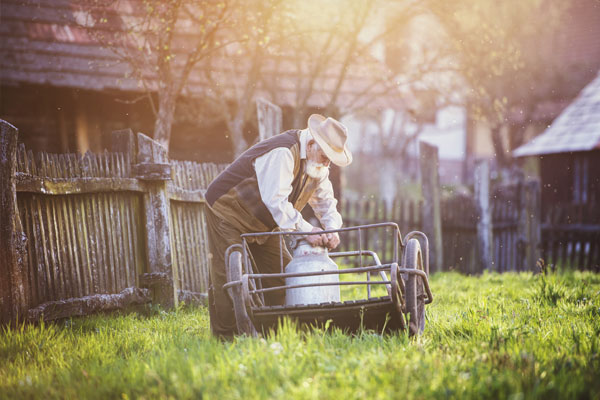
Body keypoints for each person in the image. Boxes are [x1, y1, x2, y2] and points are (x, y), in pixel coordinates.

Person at [204, 114, 352, 337]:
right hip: (228, 210)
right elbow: (276, 201)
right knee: (231, 277)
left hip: (264, 222)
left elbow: (325, 202)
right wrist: (308, 230)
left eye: (330, 158)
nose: (327, 163)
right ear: (312, 144)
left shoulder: (316, 164)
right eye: (325, 156)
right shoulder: (283, 152)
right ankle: (229, 337)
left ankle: (282, 331)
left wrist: (332, 228)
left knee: (282, 275)